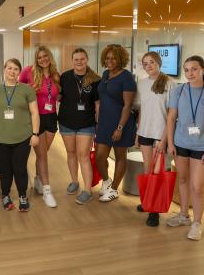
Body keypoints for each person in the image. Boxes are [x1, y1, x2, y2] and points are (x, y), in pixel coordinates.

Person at [166, 55, 204, 241]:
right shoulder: (178, 91)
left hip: (202, 147)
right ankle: (184, 215)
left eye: (194, 69)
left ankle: (197, 222)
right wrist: (170, 142)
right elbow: (170, 118)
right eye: (186, 70)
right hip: (180, 144)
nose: (189, 73)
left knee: (197, 186)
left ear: (203, 70)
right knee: (183, 180)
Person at [0, 58, 40, 212]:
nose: (12, 71)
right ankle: (5, 196)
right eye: (9, 68)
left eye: (16, 69)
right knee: (5, 170)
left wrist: (35, 133)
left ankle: (23, 196)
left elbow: (34, 112)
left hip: (23, 137)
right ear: (4, 70)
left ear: (19, 72)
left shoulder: (27, 90)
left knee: (20, 168)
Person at [134, 51, 176, 227]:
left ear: (159, 63)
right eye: (145, 63)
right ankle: (148, 202)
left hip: (160, 134)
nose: (148, 66)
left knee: (157, 172)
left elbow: (171, 114)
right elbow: (142, 109)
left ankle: (155, 212)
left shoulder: (170, 84)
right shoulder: (142, 84)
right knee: (147, 169)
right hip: (144, 131)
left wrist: (164, 139)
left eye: (151, 62)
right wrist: (138, 132)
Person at [19, 46, 60, 208]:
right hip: (35, 118)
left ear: (50, 57)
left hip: (51, 117)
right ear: (36, 59)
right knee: (43, 155)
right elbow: (17, 89)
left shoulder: (56, 75)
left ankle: (37, 180)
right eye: (39, 57)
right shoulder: (28, 71)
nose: (43, 59)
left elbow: (59, 95)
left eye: (45, 56)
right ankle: (47, 190)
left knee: (43, 153)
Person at [58, 48, 100, 204]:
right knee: (71, 153)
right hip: (66, 122)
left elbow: (97, 105)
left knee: (83, 155)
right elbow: (59, 96)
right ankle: (74, 181)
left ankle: (87, 190)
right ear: (72, 61)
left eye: (82, 59)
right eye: (76, 59)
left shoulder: (95, 79)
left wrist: (98, 124)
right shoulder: (65, 77)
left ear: (87, 59)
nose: (79, 62)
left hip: (86, 124)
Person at [95, 44, 137, 202]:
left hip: (122, 123)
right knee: (100, 156)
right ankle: (106, 181)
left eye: (113, 58)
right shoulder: (105, 74)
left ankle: (113, 190)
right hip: (105, 123)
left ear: (120, 59)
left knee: (120, 156)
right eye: (107, 57)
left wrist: (119, 128)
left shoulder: (126, 77)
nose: (110, 60)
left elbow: (127, 105)